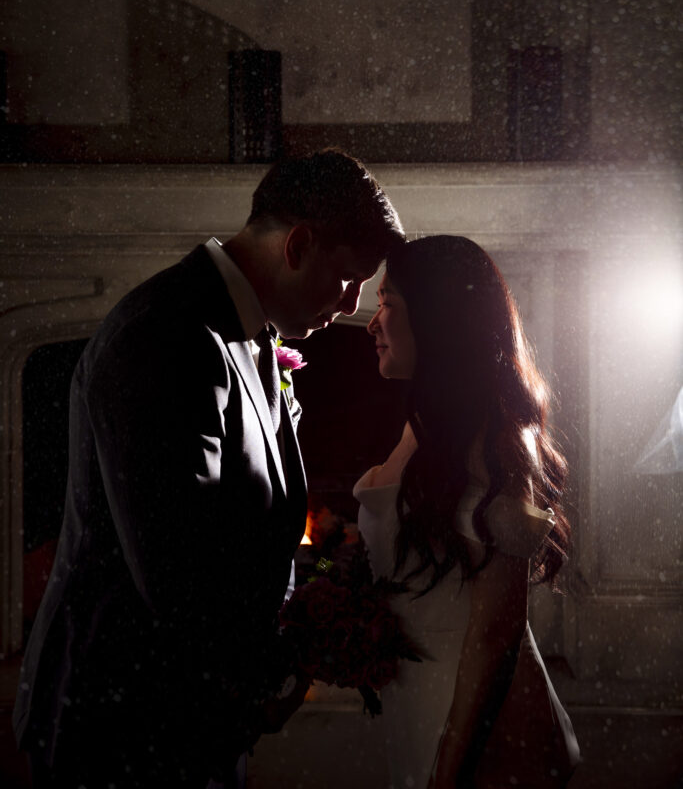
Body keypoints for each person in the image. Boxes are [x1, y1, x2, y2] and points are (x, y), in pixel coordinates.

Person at [14, 148, 405, 789]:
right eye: (349, 278)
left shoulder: (250, 334)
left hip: (194, 715)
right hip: (126, 726)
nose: (352, 303)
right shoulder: (167, 336)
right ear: (299, 244)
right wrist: (279, 664)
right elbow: (178, 574)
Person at [354, 235, 580, 788]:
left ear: (438, 320)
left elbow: (495, 635)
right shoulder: (428, 428)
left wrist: (449, 773)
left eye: (388, 303)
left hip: (482, 732)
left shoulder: (499, 443)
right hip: (421, 707)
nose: (372, 323)